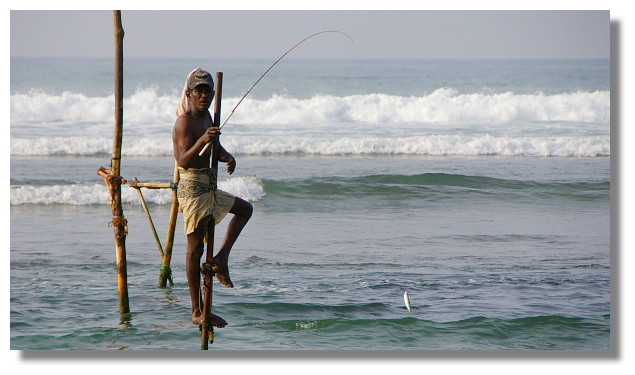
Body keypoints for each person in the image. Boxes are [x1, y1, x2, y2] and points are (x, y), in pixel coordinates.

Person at [172, 68, 253, 327]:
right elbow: (183, 161)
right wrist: (203, 141)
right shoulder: (184, 122)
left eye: (207, 90)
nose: (203, 95)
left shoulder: (208, 116)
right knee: (195, 249)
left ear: (213, 93)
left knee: (244, 209)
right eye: (199, 91)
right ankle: (197, 311)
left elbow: (213, 148)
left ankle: (221, 258)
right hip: (192, 187)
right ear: (189, 94)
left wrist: (226, 155)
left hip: (209, 184)